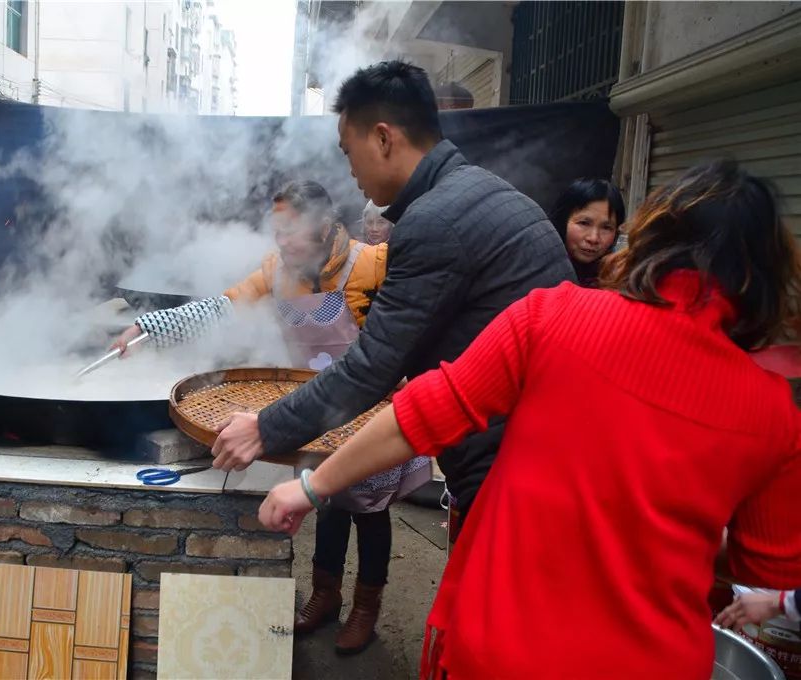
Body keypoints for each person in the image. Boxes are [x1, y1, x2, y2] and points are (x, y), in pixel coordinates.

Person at [257, 160, 801, 679]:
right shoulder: (775, 413)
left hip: (498, 646)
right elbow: (768, 568)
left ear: (653, 238)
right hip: (651, 661)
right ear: (764, 277)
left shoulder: (553, 314)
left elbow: (420, 415)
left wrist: (310, 485)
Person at [210, 61, 574, 556]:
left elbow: (370, 366)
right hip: (540, 453)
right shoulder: (479, 193)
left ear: (383, 138)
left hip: (515, 467)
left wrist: (263, 427)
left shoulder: (435, 221)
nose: (350, 170)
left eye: (349, 151)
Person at [111, 180, 430, 654]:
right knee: (323, 501)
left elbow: (417, 320)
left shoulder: (371, 264)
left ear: (324, 225)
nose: (281, 241)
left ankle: (366, 607)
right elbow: (221, 307)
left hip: (371, 410)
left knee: (370, 511)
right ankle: (325, 594)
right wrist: (149, 327)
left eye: (291, 229)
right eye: (275, 230)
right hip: (316, 406)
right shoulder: (275, 272)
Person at [548, 178, 626, 286]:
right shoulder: (537, 271)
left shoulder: (618, 282)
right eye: (584, 223)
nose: (593, 238)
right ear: (562, 221)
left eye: (606, 228)